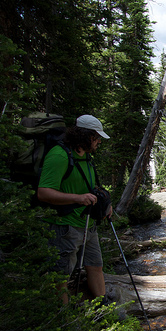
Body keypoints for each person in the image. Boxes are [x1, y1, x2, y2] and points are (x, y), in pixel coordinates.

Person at [37, 115, 112, 303]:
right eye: (96, 137)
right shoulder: (59, 155)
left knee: (95, 266)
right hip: (64, 226)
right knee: (61, 276)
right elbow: (43, 192)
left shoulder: (85, 157)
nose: (99, 141)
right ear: (85, 135)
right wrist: (78, 199)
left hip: (87, 223)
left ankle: (103, 309)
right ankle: (64, 319)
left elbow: (90, 187)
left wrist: (105, 204)